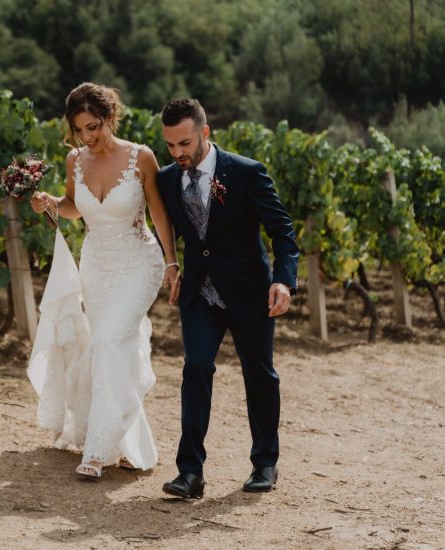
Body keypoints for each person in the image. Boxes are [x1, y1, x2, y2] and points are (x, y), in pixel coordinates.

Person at [29, 82, 180, 479]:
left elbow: (160, 215)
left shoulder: (141, 157)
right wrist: (50, 203)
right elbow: (75, 208)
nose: (88, 137)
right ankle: (130, 443)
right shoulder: (74, 161)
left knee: (108, 340)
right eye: (80, 130)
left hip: (138, 263)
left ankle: (96, 451)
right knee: (112, 349)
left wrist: (171, 263)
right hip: (95, 266)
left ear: (110, 117)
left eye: (94, 126)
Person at [156, 98, 299, 498]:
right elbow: (166, 227)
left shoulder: (247, 172)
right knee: (196, 368)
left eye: (184, 143)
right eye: (170, 146)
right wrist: (169, 265)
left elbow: (283, 233)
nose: (178, 153)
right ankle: (190, 473)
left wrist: (284, 281)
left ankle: (265, 463)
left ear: (204, 133)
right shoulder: (168, 178)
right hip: (200, 293)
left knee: (259, 375)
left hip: (250, 292)